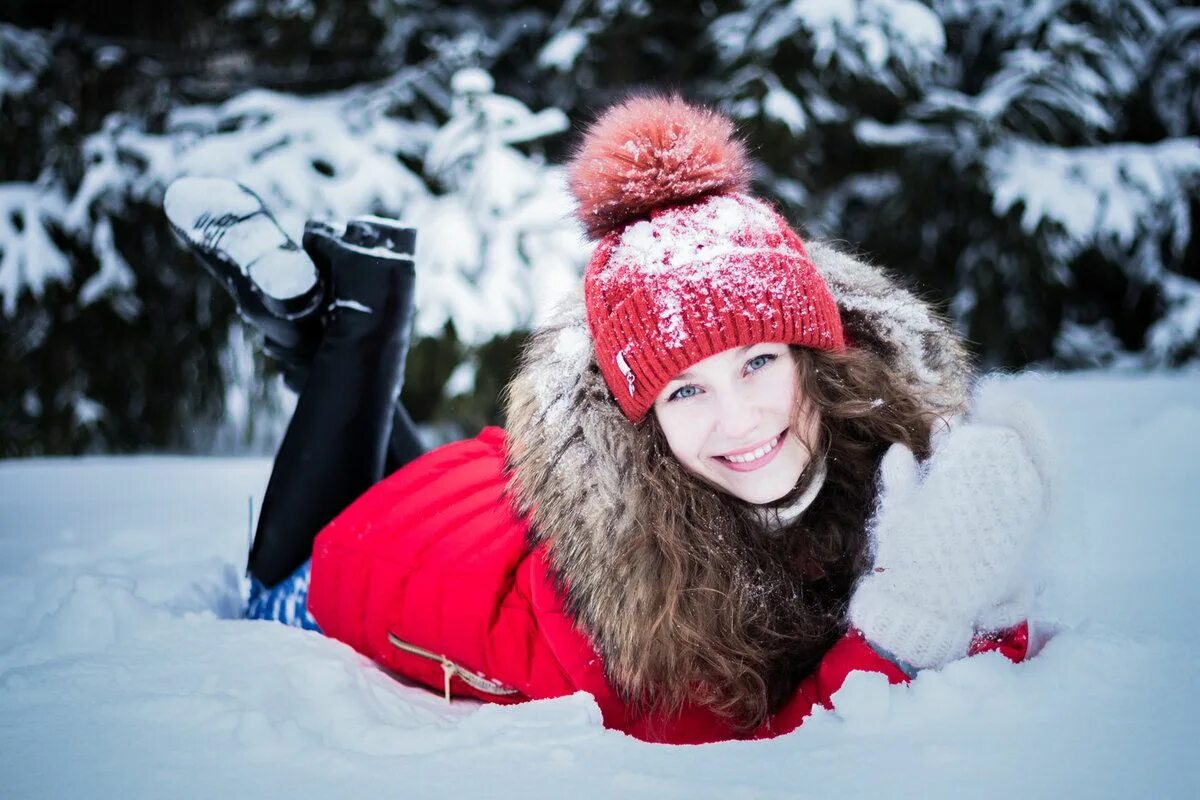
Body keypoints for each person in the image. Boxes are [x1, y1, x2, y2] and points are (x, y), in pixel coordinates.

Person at [165, 95, 1050, 744]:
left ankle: (309, 322)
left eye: (756, 362)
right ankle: (364, 308)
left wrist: (990, 578)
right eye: (685, 391)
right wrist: (925, 614)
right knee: (282, 566)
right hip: (351, 573)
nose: (739, 419)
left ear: (819, 357)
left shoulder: (807, 444)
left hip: (469, 499)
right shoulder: (650, 620)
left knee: (389, 463)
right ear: (639, 420)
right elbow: (780, 752)